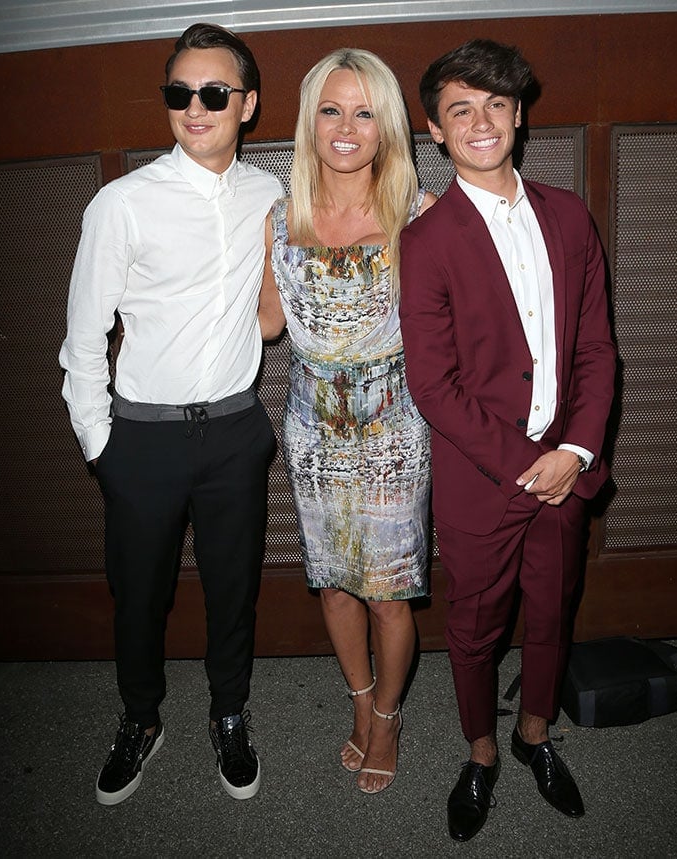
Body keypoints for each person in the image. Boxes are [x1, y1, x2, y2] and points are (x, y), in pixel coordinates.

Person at [59, 23, 282, 806]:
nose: (196, 107)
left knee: (234, 587)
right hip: (141, 439)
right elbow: (82, 337)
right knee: (139, 594)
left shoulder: (270, 194)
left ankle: (229, 712)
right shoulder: (121, 204)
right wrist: (103, 446)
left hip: (233, 431)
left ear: (247, 105)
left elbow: (276, 309)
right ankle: (140, 719)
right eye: (179, 93)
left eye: (214, 93)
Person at [398, 39, 616, 841]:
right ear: (436, 128)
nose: (481, 122)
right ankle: (482, 752)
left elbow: (596, 347)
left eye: (496, 104)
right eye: (461, 109)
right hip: (483, 481)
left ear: (519, 114)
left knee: (554, 611)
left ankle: (534, 736)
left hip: (568, 463)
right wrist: (535, 468)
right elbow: (435, 388)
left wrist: (578, 452)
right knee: (475, 626)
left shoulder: (569, 215)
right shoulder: (424, 242)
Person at [258, 48, 435, 794]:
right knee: (334, 583)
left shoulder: (419, 214)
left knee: (389, 591)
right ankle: (359, 702)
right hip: (311, 429)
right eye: (331, 108)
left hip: (392, 428)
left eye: (365, 111)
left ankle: (389, 716)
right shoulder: (278, 213)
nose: (346, 125)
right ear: (310, 119)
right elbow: (269, 324)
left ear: (387, 125)